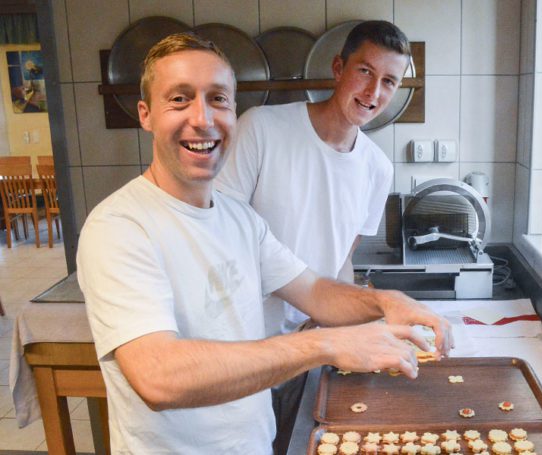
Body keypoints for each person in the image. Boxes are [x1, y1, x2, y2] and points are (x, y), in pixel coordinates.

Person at [77, 33, 452, 454]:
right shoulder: (119, 226)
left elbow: (314, 291)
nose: (202, 118)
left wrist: (385, 301)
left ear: (233, 112)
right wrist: (325, 345)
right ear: (145, 114)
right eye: (180, 99)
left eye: (218, 99)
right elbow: (157, 377)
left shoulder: (239, 219)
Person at [215, 20, 411, 333]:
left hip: (314, 338)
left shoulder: (378, 168)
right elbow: (221, 234)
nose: (373, 92)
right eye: (365, 71)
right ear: (338, 68)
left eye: (388, 81)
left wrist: (337, 320)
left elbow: (342, 261)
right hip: (248, 333)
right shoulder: (260, 128)